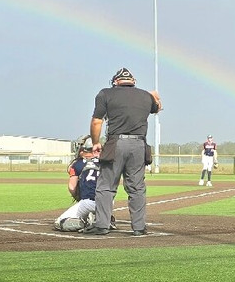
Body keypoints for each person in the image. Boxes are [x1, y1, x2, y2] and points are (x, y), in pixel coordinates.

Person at [86, 67, 162, 236]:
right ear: (133, 81)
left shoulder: (105, 94)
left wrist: (96, 142)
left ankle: (102, 225)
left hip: (116, 143)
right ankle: (139, 227)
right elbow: (158, 107)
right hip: (139, 145)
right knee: (136, 188)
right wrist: (154, 95)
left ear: (115, 81)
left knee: (106, 186)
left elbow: (97, 121)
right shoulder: (145, 96)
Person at [53, 137, 108, 231]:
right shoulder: (106, 163)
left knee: (59, 222)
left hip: (88, 202)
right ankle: (105, 219)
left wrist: (78, 196)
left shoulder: (78, 164)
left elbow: (72, 187)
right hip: (108, 202)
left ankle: (84, 222)